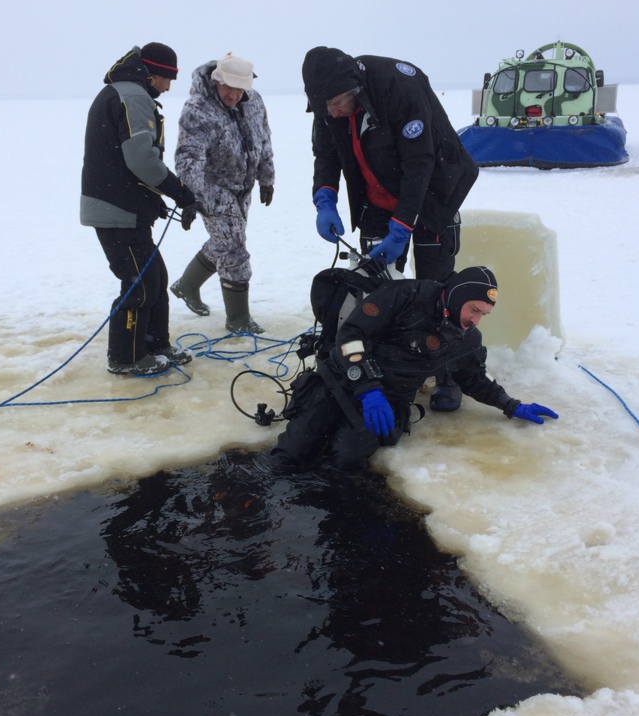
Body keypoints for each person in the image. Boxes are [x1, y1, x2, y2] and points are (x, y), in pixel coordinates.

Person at [302, 45, 480, 411]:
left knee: (438, 286)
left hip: (434, 191)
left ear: (353, 88)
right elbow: (326, 154)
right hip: (375, 197)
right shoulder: (328, 102)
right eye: (325, 108)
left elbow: (420, 163)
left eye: (336, 104)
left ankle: (446, 372)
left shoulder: (399, 86)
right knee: (376, 287)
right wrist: (325, 198)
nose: (332, 112)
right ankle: (381, 362)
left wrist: (402, 229)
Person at [270, 266, 558, 473]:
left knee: (345, 463)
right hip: (337, 383)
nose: (476, 320)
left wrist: (511, 406)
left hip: (388, 401)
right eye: (473, 309)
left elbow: (473, 379)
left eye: (483, 314)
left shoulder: (466, 339)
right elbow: (351, 335)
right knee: (289, 457)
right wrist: (368, 388)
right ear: (457, 297)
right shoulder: (405, 295)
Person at [81, 43, 198, 375]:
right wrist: (181, 193)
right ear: (151, 73)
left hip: (124, 207)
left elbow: (126, 161)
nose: (169, 86)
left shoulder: (127, 92)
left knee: (155, 278)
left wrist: (152, 200)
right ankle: (126, 358)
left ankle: (154, 345)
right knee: (139, 285)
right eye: (167, 78)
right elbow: (142, 160)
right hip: (115, 211)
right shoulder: (133, 97)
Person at [172, 53, 275, 335]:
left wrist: (266, 177)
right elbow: (188, 158)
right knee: (234, 249)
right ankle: (238, 319)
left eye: (239, 88)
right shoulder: (198, 109)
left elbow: (264, 138)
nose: (233, 95)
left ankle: (187, 285)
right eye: (228, 87)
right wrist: (190, 196)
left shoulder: (253, 101)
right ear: (216, 80)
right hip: (211, 188)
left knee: (226, 240)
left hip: (244, 186)